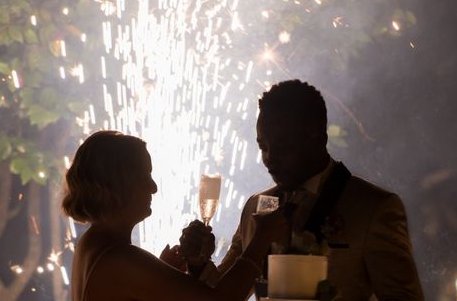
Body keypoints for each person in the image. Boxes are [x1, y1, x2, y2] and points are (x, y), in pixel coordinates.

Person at [179, 79, 425, 300]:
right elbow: (222, 294)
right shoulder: (257, 206)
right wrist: (199, 262)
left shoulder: (373, 208)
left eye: (282, 146)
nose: (270, 159)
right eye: (263, 146)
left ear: (317, 136)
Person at [63, 131, 288, 301]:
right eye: (144, 176)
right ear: (118, 185)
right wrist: (261, 240)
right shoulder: (119, 258)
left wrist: (160, 273)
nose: (153, 188)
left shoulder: (91, 243)